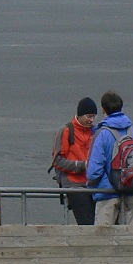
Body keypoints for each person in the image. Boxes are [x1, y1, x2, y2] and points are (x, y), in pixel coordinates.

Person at [85, 91, 133, 226]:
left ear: (103, 109)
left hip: (106, 194)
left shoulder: (102, 134)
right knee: (128, 238)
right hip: (131, 193)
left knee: (103, 240)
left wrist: (93, 186)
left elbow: (94, 171)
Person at [50, 96, 98, 225]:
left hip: (92, 184)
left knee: (100, 223)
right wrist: (81, 165)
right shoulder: (65, 131)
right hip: (73, 185)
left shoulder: (95, 131)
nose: (91, 120)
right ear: (80, 114)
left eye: (94, 116)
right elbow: (58, 161)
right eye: (89, 116)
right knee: (87, 223)